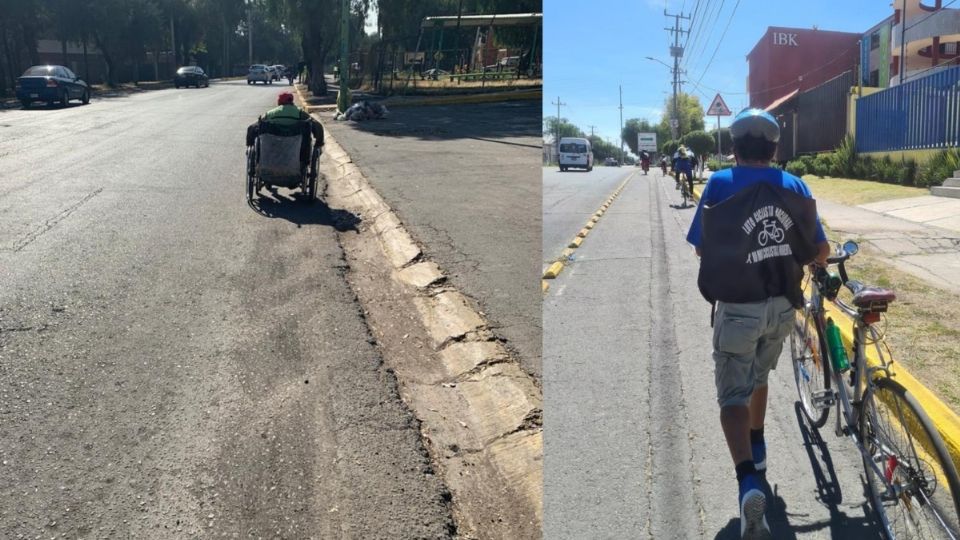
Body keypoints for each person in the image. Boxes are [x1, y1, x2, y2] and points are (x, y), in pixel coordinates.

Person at [685, 108, 829, 540]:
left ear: (733, 147)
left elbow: (699, 249)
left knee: (733, 392)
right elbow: (818, 250)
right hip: (782, 308)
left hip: (738, 308)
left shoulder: (719, 183)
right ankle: (760, 446)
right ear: (775, 148)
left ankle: (748, 480)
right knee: (760, 376)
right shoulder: (795, 186)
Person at [246, 92, 324, 175]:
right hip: (297, 157)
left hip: (270, 156)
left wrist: (250, 144)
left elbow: (251, 128)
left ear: (279, 103)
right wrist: (318, 144)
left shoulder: (270, 114)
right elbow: (318, 126)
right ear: (292, 101)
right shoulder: (300, 113)